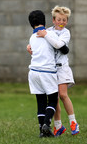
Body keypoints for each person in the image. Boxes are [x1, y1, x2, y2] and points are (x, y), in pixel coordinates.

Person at [27, 6, 79, 136]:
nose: (62, 22)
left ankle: (73, 122)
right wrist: (30, 46)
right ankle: (58, 126)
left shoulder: (65, 32)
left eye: (65, 20)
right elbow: (38, 40)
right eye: (59, 19)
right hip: (50, 69)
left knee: (62, 94)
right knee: (53, 99)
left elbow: (61, 47)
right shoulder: (48, 30)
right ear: (53, 20)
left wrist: (45, 35)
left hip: (62, 68)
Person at [28, 10, 59, 138]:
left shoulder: (31, 37)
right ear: (44, 21)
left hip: (33, 72)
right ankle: (47, 124)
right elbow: (59, 46)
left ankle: (42, 131)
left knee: (40, 102)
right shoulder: (49, 34)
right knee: (52, 100)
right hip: (47, 71)